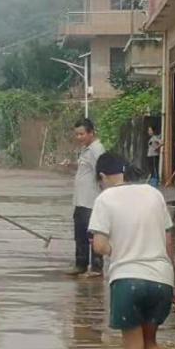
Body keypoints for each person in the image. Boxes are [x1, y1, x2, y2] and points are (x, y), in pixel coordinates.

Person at [88, 152, 175, 349]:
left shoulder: (104, 199)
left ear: (102, 177)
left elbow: (100, 246)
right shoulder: (153, 194)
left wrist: (118, 250)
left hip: (127, 280)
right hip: (161, 279)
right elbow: (168, 241)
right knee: (151, 342)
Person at [67, 117, 105, 277]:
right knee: (80, 234)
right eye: (77, 134)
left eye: (82, 134)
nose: (79, 138)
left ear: (91, 133)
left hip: (91, 201)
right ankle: (80, 265)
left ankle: (96, 268)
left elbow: (103, 173)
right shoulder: (86, 149)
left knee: (92, 235)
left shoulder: (97, 150)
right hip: (81, 200)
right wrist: (71, 165)